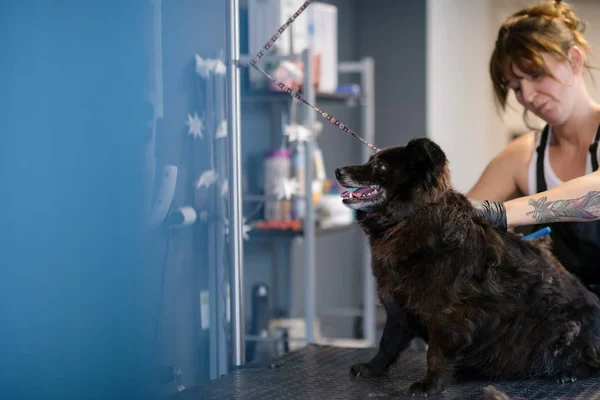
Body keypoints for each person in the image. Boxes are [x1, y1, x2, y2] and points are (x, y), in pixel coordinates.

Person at [468, 0, 600, 287]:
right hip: (566, 323)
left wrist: (503, 213)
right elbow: (463, 216)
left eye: (536, 75)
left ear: (574, 60)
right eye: (515, 86)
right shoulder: (523, 156)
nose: (527, 95)